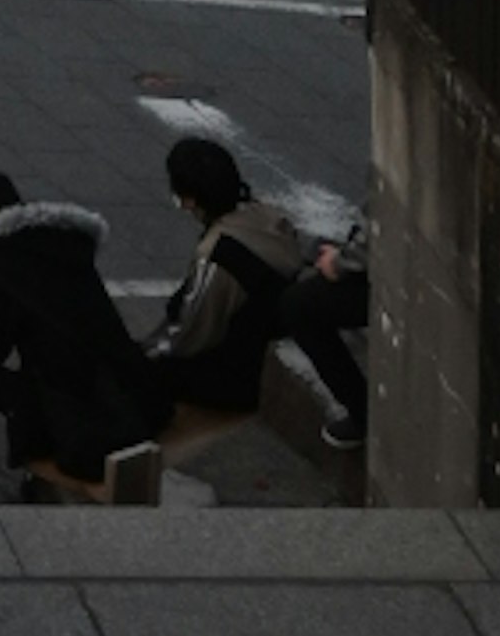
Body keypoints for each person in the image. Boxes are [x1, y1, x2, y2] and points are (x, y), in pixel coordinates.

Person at [0, 171, 169, 499]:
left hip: (70, 408)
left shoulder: (1, 263)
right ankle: (26, 478)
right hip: (127, 391)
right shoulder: (66, 245)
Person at [153, 134, 369, 453]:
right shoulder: (264, 215)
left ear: (189, 200)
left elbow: (190, 333)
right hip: (270, 318)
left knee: (155, 372)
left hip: (241, 370)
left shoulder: (217, 257)